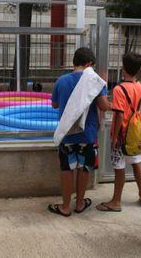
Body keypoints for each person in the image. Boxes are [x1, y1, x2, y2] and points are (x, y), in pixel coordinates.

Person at [48, 47, 111, 217]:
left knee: (67, 168)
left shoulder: (61, 80)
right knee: (84, 168)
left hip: (66, 133)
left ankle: (66, 206)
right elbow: (104, 106)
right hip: (87, 134)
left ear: (74, 62)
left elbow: (54, 104)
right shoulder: (94, 81)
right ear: (90, 64)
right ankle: (80, 203)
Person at [96, 52, 141, 213]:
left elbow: (119, 113)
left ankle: (116, 201)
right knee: (136, 162)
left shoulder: (120, 89)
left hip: (122, 134)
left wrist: (115, 138)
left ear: (123, 67)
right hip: (135, 132)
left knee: (119, 167)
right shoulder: (140, 86)